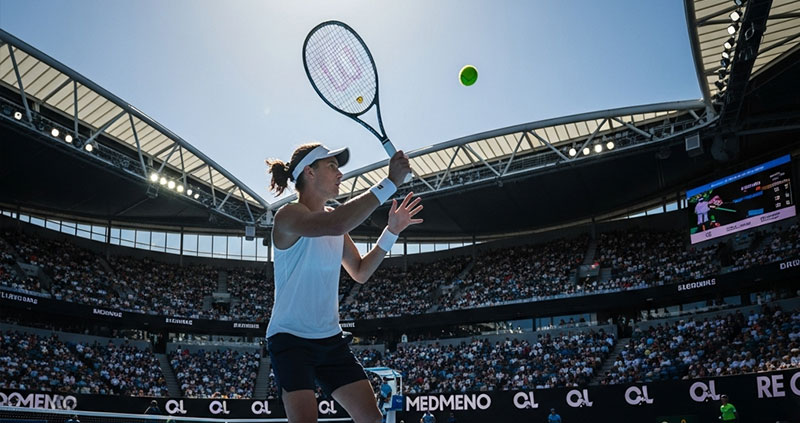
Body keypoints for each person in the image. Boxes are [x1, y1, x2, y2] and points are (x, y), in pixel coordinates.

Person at [265, 143, 422, 423]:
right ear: (309, 172)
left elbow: (360, 271)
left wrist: (391, 232)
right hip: (289, 339)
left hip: (330, 340)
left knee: (372, 420)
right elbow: (337, 224)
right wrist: (389, 183)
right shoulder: (288, 215)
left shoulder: (332, 221)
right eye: (333, 166)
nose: (340, 174)